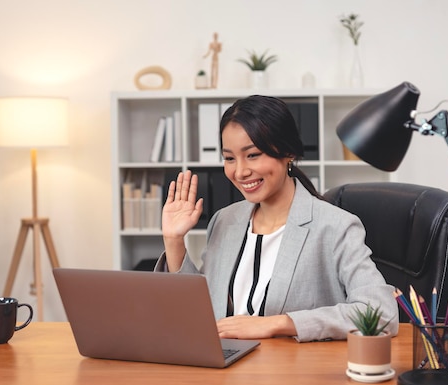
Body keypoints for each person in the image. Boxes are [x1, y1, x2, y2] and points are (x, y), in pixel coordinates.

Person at [156, 95, 398, 342]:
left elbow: (381, 313)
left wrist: (279, 324)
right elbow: (204, 310)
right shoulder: (224, 221)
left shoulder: (335, 226)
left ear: (288, 152)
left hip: (291, 373)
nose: (240, 171)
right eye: (229, 158)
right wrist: (174, 240)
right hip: (224, 367)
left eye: (253, 154)